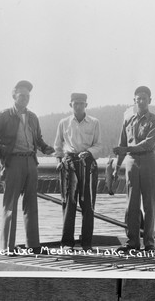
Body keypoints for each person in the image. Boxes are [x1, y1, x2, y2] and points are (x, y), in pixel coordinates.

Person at [0, 80, 54, 255]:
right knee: (10, 204)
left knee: (31, 204)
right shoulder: (4, 115)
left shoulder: (33, 117)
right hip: (13, 163)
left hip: (31, 163)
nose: (25, 99)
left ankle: (34, 246)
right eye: (22, 95)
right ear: (14, 96)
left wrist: (47, 149)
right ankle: (7, 248)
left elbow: (39, 140)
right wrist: (2, 154)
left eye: (28, 96)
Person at [113, 86, 155, 253]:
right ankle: (132, 242)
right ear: (134, 101)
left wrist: (126, 150)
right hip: (131, 164)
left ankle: (149, 243)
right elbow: (122, 145)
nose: (141, 101)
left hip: (149, 161)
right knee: (131, 204)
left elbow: (148, 143)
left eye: (144, 98)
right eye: (138, 98)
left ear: (149, 100)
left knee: (149, 204)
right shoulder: (127, 121)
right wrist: (116, 167)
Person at [54, 93, 102, 251]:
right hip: (69, 165)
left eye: (81, 103)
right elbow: (58, 146)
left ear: (86, 104)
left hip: (87, 164)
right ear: (70, 105)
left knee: (88, 205)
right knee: (69, 204)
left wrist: (88, 152)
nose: (79, 106)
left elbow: (99, 146)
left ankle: (87, 243)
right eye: (75, 103)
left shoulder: (94, 122)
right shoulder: (63, 123)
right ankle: (67, 243)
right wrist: (59, 161)